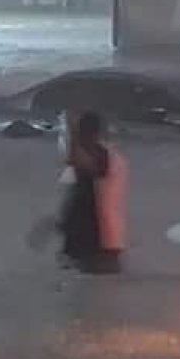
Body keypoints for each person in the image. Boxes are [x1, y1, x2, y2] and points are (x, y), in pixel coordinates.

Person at [58, 111, 127, 274]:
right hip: (96, 237)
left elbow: (87, 167)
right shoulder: (105, 155)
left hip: (100, 239)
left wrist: (74, 137)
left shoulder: (103, 156)